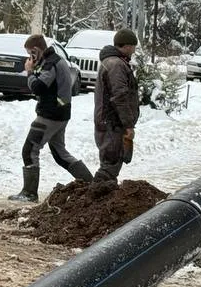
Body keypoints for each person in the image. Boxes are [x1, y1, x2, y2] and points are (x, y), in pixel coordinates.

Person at [8, 34, 94, 202]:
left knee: (29, 150)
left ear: (37, 50)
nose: (29, 57)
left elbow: (38, 87)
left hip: (50, 115)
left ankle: (30, 193)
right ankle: (91, 184)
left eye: (30, 53)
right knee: (60, 154)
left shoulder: (51, 64)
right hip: (59, 113)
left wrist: (30, 72)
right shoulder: (51, 61)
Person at [94, 29, 140, 182]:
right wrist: (128, 125)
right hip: (112, 123)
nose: (134, 50)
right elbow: (120, 97)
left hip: (110, 122)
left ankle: (103, 198)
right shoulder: (116, 65)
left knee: (111, 163)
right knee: (110, 165)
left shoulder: (113, 62)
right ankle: (96, 197)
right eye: (133, 46)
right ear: (127, 46)